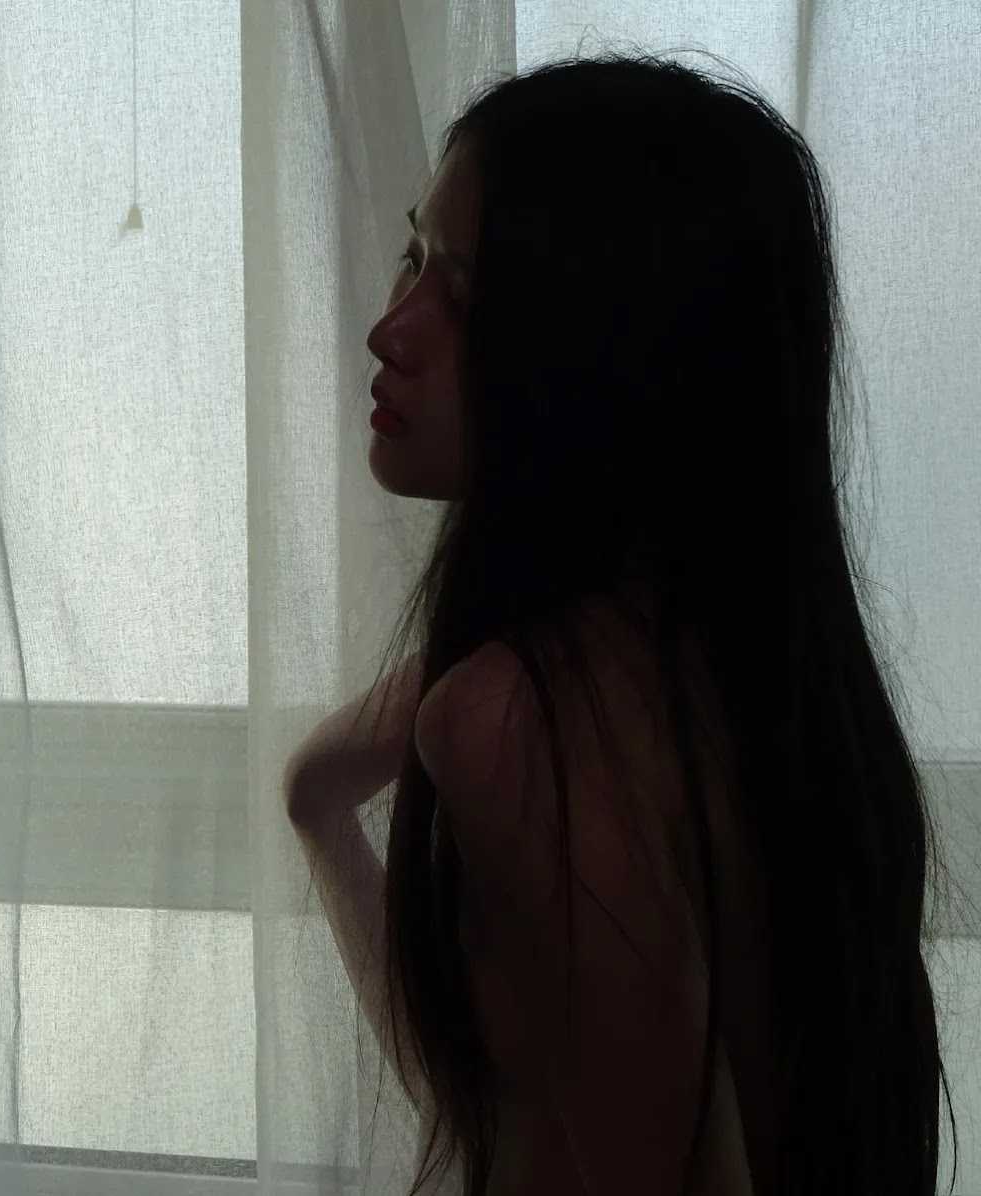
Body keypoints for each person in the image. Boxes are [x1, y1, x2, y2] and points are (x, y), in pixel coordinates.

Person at [281, 51, 970, 1196]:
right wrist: (313, 793)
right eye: (414, 256)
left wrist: (349, 776)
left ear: (612, 360)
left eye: (470, 297)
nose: (390, 329)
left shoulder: (522, 722)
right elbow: (511, 1108)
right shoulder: (731, 671)